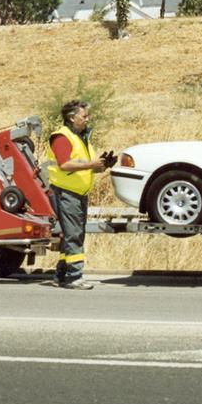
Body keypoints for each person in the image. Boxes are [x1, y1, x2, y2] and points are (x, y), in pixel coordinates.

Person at [45, 99, 116, 289]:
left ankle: (60, 275)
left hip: (77, 193)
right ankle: (74, 277)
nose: (87, 119)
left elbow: (85, 167)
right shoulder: (62, 137)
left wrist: (102, 165)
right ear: (71, 117)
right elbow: (65, 164)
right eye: (84, 116)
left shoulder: (80, 137)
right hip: (66, 193)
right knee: (74, 235)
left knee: (70, 235)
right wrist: (92, 165)